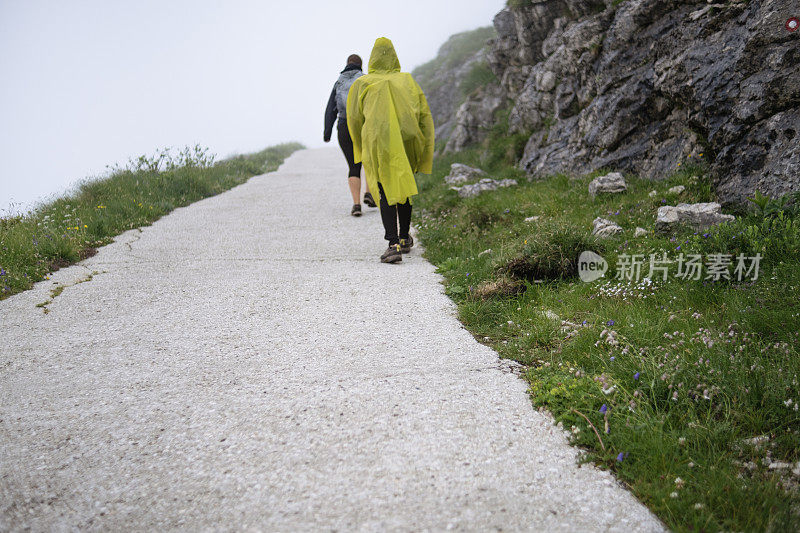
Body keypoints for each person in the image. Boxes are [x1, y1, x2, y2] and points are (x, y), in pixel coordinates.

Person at [346, 37, 435, 263]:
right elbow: (423, 114)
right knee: (403, 186)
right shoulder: (407, 81)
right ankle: (405, 238)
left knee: (385, 188)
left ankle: (392, 244)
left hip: (378, 142)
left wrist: (360, 144)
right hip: (407, 140)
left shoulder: (362, 84)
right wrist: (422, 145)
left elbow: (354, 119)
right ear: (394, 55)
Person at [324, 54, 376, 217]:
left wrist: (327, 132)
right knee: (368, 160)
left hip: (344, 126)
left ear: (347, 64)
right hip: (363, 125)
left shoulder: (339, 82)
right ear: (361, 65)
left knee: (353, 166)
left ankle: (356, 204)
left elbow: (329, 109)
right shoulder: (366, 80)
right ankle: (369, 193)